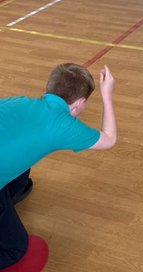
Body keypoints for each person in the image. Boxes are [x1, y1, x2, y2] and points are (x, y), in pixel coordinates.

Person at [0, 63, 117, 270]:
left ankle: (8, 196)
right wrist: (107, 94)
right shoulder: (64, 125)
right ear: (79, 103)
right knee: (16, 249)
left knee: (23, 165)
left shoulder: (20, 101)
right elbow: (109, 139)